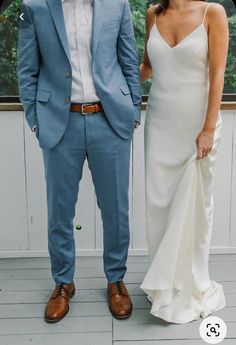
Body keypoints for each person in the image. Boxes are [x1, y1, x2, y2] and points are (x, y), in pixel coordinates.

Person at [18, 0, 141, 323]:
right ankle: (63, 283)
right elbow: (26, 70)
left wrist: (132, 115)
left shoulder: (118, 6)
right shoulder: (35, 8)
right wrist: (35, 120)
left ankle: (115, 280)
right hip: (60, 124)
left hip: (110, 121)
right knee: (60, 211)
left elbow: (129, 62)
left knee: (116, 209)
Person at [140, 0, 229, 323]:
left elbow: (218, 71)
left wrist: (208, 128)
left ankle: (189, 282)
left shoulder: (213, 13)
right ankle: (163, 286)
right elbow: (147, 68)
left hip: (197, 128)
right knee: (160, 205)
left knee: (194, 206)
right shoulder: (153, 13)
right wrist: (110, 90)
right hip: (160, 125)